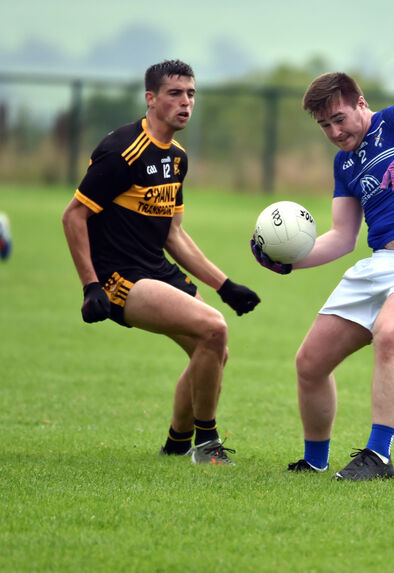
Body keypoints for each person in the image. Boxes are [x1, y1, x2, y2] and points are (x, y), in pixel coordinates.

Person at [251, 72, 394, 481]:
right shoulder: (345, 163)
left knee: (390, 334)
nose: (335, 132)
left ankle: (379, 457)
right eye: (325, 126)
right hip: (377, 266)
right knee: (310, 362)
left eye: (340, 118)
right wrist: (287, 262)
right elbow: (341, 237)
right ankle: (315, 459)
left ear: (360, 103)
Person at [62, 59, 260, 465]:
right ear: (150, 99)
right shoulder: (121, 152)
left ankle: (176, 443)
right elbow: (73, 216)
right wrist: (90, 285)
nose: (185, 102)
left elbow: (174, 234)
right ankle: (207, 444)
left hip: (156, 268)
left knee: (213, 350)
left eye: (190, 94)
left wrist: (225, 286)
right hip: (119, 278)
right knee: (212, 329)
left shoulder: (177, 158)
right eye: (175, 94)